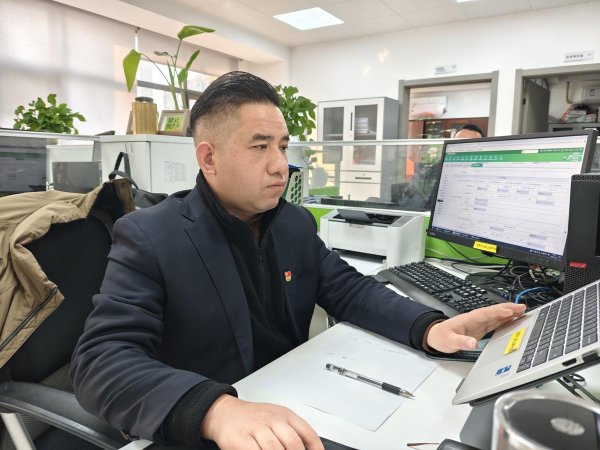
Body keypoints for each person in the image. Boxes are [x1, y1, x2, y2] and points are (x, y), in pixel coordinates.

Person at [70, 72, 524, 450]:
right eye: (260, 147)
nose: (279, 166)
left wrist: (428, 328)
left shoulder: (293, 222)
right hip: (213, 423)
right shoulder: (151, 235)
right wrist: (215, 410)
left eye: (283, 147)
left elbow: (348, 289)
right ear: (209, 157)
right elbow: (100, 362)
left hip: (296, 401)